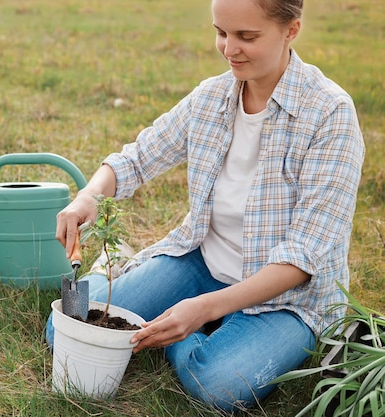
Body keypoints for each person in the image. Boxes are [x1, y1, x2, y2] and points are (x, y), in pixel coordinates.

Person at [47, 0, 365, 412]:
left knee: (216, 387)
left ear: (292, 30)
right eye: (221, 32)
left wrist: (203, 310)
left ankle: (194, 327)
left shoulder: (330, 114)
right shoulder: (212, 97)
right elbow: (137, 158)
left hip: (289, 300)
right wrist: (88, 197)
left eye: (247, 37)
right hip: (203, 264)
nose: (229, 48)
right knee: (65, 331)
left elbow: (305, 257)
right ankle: (187, 318)